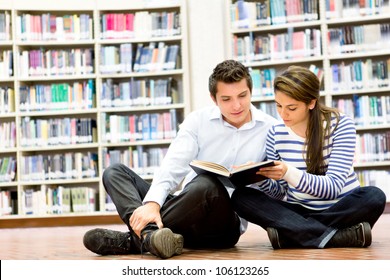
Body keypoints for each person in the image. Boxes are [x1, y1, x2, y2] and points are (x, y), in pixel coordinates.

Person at [83, 59, 277, 258]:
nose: (236, 105)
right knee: (114, 172)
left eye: (242, 96)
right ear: (214, 98)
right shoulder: (198, 121)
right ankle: (152, 237)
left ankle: (135, 240)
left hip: (223, 227)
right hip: (185, 210)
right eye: (226, 99)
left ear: (251, 92)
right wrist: (153, 204)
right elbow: (173, 164)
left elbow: (278, 187)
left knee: (207, 185)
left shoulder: (271, 128)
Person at [231, 65, 387, 249]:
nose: (283, 114)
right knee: (241, 197)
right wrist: (260, 177)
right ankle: (337, 236)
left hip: (340, 206)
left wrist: (288, 172)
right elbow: (280, 193)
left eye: (292, 107)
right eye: (279, 105)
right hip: (299, 209)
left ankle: (294, 233)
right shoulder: (275, 133)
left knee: (374, 196)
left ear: (311, 103)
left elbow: (333, 188)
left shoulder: (341, 125)